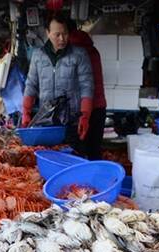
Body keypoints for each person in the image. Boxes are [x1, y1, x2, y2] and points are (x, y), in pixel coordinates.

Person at [22, 12, 94, 151]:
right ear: (47, 33)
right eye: (57, 34)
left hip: (72, 121)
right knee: (49, 157)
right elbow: (31, 85)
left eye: (65, 33)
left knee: (73, 159)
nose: (62, 39)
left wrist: (85, 116)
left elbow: (87, 86)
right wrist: (26, 112)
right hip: (47, 121)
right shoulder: (38, 56)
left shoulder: (79, 54)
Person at [68, 24, 106, 160]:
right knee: (95, 148)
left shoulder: (76, 55)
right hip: (100, 106)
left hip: (83, 107)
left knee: (78, 149)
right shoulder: (94, 51)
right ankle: (96, 177)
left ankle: (82, 176)